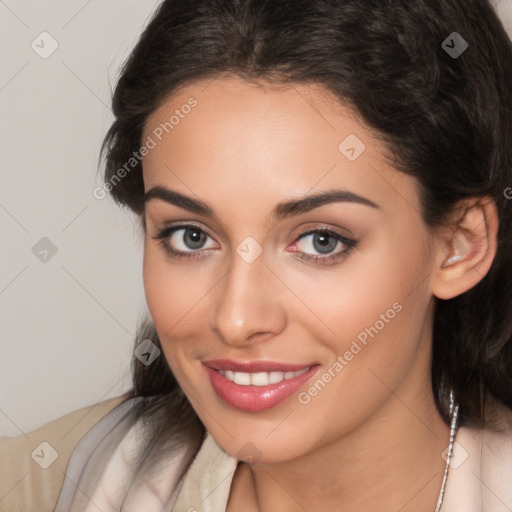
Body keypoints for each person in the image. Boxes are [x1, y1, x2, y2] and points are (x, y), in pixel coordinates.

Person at [53, 0, 512, 510]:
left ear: (459, 247)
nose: (236, 319)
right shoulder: (54, 478)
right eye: (191, 236)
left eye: (321, 241)